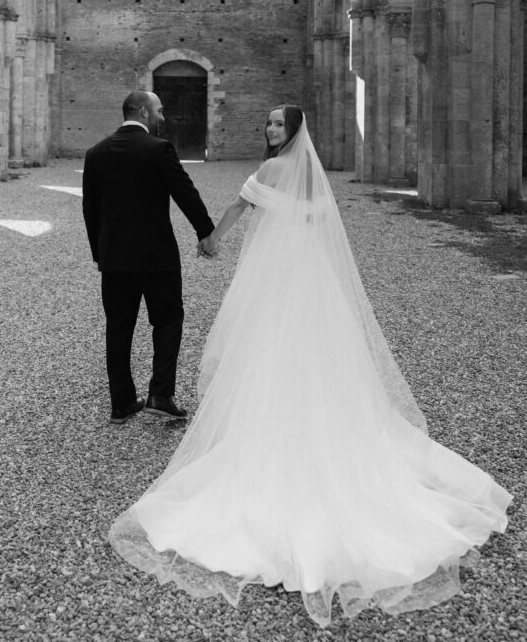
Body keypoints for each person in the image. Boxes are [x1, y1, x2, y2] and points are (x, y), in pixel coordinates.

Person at [109, 105, 512, 626]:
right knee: (314, 353)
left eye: (279, 124)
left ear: (293, 131)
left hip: (278, 279)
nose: (270, 129)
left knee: (270, 348)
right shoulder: (308, 176)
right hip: (310, 277)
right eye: (269, 123)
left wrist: (212, 239)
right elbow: (318, 224)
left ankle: (274, 433)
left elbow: (239, 206)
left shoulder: (274, 168)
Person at [82, 90, 216, 425]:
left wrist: (101, 254)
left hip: (114, 259)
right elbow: (185, 193)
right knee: (168, 320)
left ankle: (121, 403)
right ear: (143, 112)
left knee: (118, 327)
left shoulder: (96, 153)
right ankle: (160, 395)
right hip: (158, 257)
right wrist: (205, 232)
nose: (162, 117)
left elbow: (90, 210)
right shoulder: (159, 149)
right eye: (159, 110)